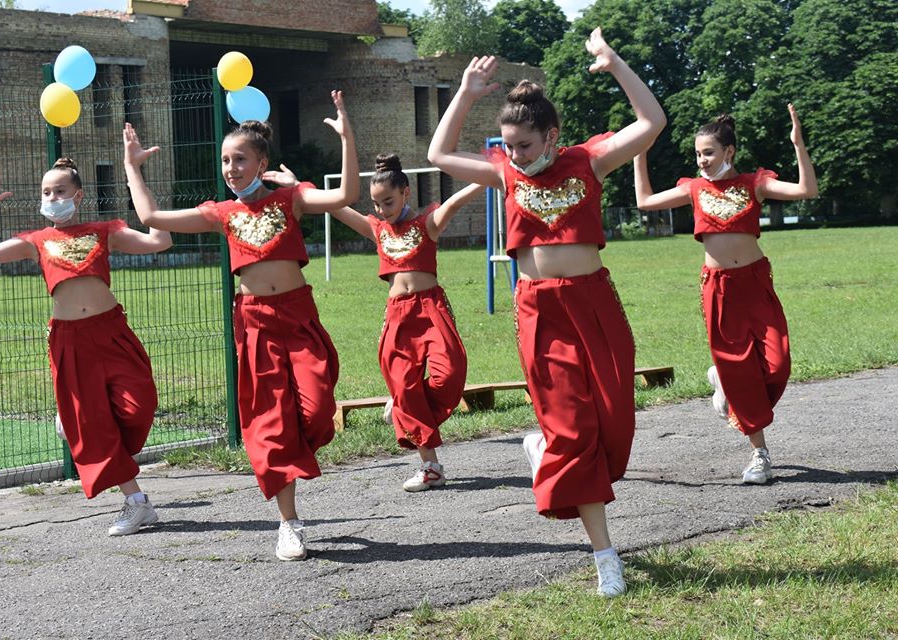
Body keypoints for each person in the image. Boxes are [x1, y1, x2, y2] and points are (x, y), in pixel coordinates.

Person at [426, 28, 666, 597]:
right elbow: (437, 155)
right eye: (508, 145)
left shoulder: (589, 160)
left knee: (613, 424)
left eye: (525, 146)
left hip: (595, 305)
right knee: (576, 429)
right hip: (541, 311)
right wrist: (465, 92)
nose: (515, 155)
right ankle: (605, 555)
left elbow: (652, 122)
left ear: (552, 136)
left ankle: (543, 449)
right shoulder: (504, 172)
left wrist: (613, 63)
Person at [122, 90, 359, 561]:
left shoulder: (293, 198)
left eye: (240, 159)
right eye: (226, 161)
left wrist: (347, 136)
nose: (231, 168)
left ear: (262, 161)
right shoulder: (222, 214)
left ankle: (295, 454)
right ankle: (290, 523)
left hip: (298, 317)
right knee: (272, 426)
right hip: (254, 326)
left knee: (315, 411)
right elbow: (150, 217)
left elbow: (348, 195)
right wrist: (133, 165)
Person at [0, 159, 172, 536]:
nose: (53, 197)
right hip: (69, 341)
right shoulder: (36, 241)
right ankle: (136, 501)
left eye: (60, 191)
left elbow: (161, 240)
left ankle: (79, 427)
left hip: (112, 334)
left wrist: (136, 176)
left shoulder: (103, 230)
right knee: (95, 426)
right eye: (46, 192)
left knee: (139, 407)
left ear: (78, 195)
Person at [633, 104, 817, 485]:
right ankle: (759, 453)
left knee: (778, 365)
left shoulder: (755, 183)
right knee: (742, 373)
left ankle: (727, 386)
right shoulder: (694, 188)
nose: (701, 160)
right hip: (718, 289)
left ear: (729, 152)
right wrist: (639, 151)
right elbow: (645, 201)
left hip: (756, 283)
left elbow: (806, 190)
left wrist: (799, 146)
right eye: (698, 153)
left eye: (709, 152)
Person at [319, 153, 483, 491]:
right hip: (397, 315)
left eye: (388, 201)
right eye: (376, 203)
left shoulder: (426, 225)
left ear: (406, 193)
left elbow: (452, 203)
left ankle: (405, 408)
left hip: (431, 310)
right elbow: (337, 207)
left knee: (449, 375)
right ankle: (430, 466)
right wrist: (298, 187)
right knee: (406, 390)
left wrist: (487, 177)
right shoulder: (376, 229)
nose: (381, 209)